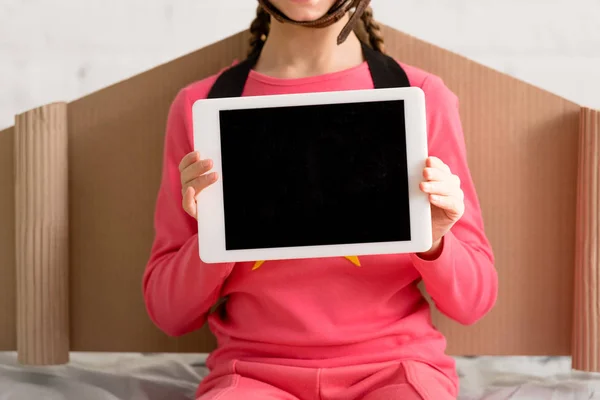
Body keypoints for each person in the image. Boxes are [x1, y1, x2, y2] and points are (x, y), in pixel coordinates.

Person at [142, 0, 498, 399]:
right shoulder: (200, 105)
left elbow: (474, 302)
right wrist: (215, 234)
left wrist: (434, 241)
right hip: (254, 374)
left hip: (396, 370)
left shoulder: (421, 97)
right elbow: (169, 313)